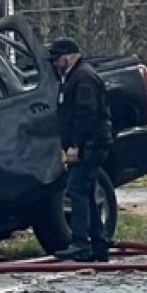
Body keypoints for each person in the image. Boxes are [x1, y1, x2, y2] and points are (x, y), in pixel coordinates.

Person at [47, 37, 113, 262]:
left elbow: (85, 114)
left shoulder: (83, 78)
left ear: (69, 56)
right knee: (85, 191)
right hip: (86, 144)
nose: (56, 64)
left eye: (57, 59)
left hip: (90, 144)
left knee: (76, 190)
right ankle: (98, 242)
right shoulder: (73, 77)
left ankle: (80, 243)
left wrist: (75, 144)